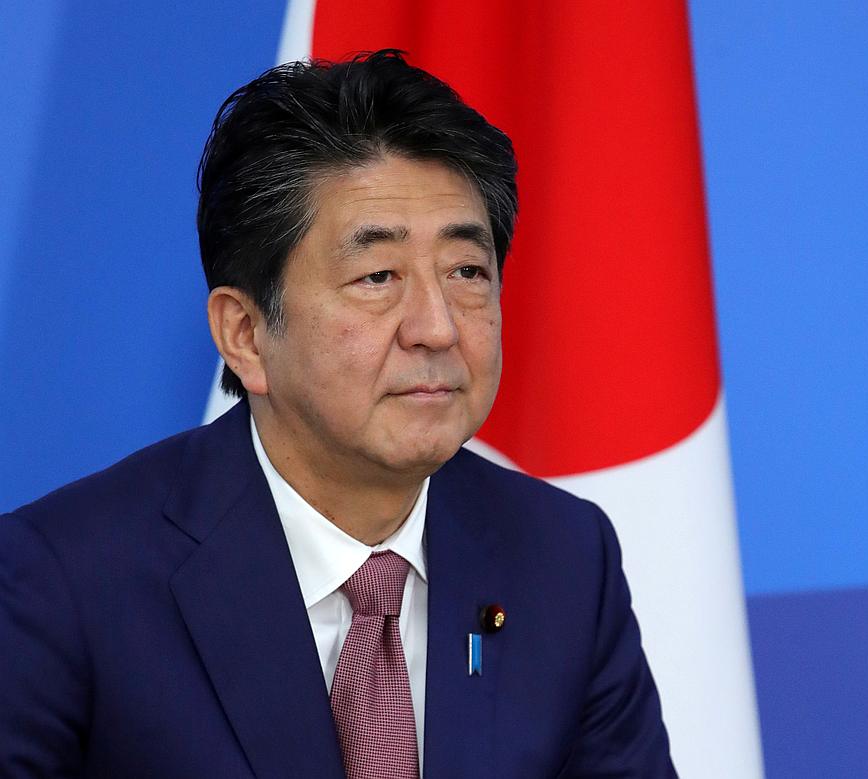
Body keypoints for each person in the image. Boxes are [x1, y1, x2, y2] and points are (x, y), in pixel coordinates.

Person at [0, 50, 676, 778]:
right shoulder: (63, 581)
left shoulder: (566, 559)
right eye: (378, 276)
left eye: (467, 272)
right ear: (246, 334)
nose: (438, 327)